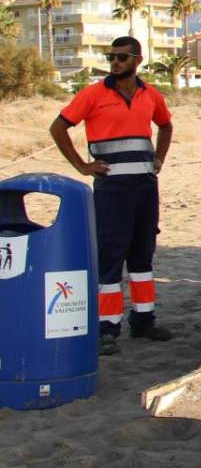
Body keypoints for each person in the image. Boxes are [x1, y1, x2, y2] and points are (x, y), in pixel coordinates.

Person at [49, 36, 174, 356]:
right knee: (110, 257)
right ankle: (108, 328)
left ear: (137, 60)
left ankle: (144, 321)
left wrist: (158, 159)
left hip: (145, 187)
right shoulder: (93, 94)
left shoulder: (150, 94)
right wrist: (82, 166)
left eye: (122, 56)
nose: (115, 61)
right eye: (111, 56)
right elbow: (58, 128)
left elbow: (166, 125)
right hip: (111, 190)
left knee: (143, 254)